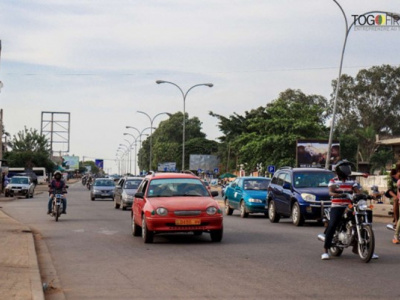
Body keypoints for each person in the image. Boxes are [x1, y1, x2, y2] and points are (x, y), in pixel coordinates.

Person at [321, 160, 378, 260]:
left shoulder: (352, 181)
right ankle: (326, 249)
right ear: (339, 170)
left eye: (348, 168)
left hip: (349, 206)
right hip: (337, 206)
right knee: (333, 223)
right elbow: (331, 192)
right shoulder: (333, 181)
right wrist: (338, 194)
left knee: (362, 219)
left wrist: (366, 195)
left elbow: (358, 191)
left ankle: (368, 249)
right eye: (345, 168)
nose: (347, 170)